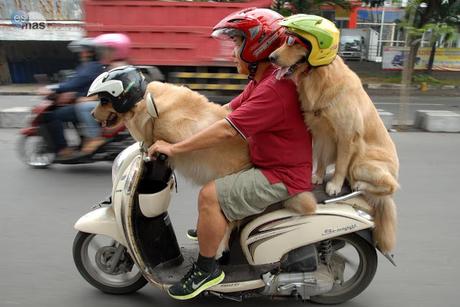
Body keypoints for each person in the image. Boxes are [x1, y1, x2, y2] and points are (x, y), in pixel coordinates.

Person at [147, 8, 314, 300]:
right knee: (218, 184)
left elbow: (227, 130)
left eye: (237, 44)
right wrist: (181, 126)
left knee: (210, 195)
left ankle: (206, 270)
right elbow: (225, 113)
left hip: (280, 174)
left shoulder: (273, 90)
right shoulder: (265, 80)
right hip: (268, 163)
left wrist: (174, 148)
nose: (232, 52)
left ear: (257, 46)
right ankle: (216, 234)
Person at [38, 38, 104, 159]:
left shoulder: (92, 66)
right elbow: (73, 81)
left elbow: (74, 84)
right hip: (82, 100)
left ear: (90, 52)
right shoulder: (86, 66)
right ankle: (82, 140)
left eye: (83, 51)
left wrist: (53, 88)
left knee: (53, 116)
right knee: (65, 110)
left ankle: (62, 148)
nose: (81, 53)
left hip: (89, 103)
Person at [74, 33, 132, 153]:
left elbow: (109, 91)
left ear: (117, 51)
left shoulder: (117, 68)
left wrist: (89, 99)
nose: (103, 53)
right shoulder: (117, 65)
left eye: (107, 50)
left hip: (117, 106)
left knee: (82, 107)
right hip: (118, 103)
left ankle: (95, 137)